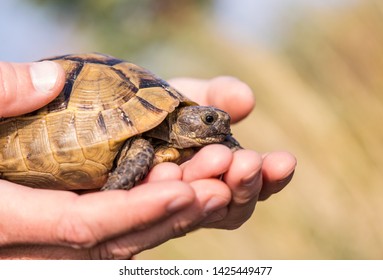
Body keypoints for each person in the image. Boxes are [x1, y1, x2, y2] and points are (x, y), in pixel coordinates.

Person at [0, 60, 296, 259]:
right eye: (208, 119)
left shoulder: (187, 137)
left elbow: (227, 143)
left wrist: (233, 147)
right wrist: (114, 190)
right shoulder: (142, 145)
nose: (218, 126)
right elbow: (140, 149)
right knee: (140, 150)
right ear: (183, 120)